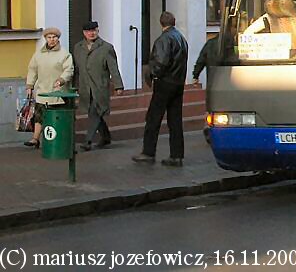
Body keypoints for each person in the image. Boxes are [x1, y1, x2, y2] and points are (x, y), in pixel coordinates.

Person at [133, 11, 189, 167]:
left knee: (153, 118)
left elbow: (161, 62)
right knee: (175, 120)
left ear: (161, 23)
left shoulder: (163, 39)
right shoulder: (181, 38)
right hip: (178, 82)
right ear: (174, 22)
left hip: (165, 83)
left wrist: (153, 74)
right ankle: (176, 155)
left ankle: (148, 152)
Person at [73, 20, 124, 151]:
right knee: (95, 112)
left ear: (98, 31)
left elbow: (113, 68)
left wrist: (118, 85)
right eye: (89, 31)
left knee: (94, 112)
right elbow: (76, 69)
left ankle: (87, 141)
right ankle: (106, 137)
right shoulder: (78, 47)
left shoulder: (106, 47)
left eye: (94, 30)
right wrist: (73, 85)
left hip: (100, 86)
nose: (92, 33)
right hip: (85, 87)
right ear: (84, 33)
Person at [24, 28, 74, 148]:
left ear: (58, 39)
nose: (52, 40)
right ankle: (35, 139)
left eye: (54, 37)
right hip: (43, 90)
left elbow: (69, 69)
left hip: (59, 92)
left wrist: (62, 80)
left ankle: (61, 141)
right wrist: (29, 86)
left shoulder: (64, 54)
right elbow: (32, 70)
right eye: (49, 37)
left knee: (58, 117)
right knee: (39, 116)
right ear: (45, 39)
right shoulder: (38, 54)